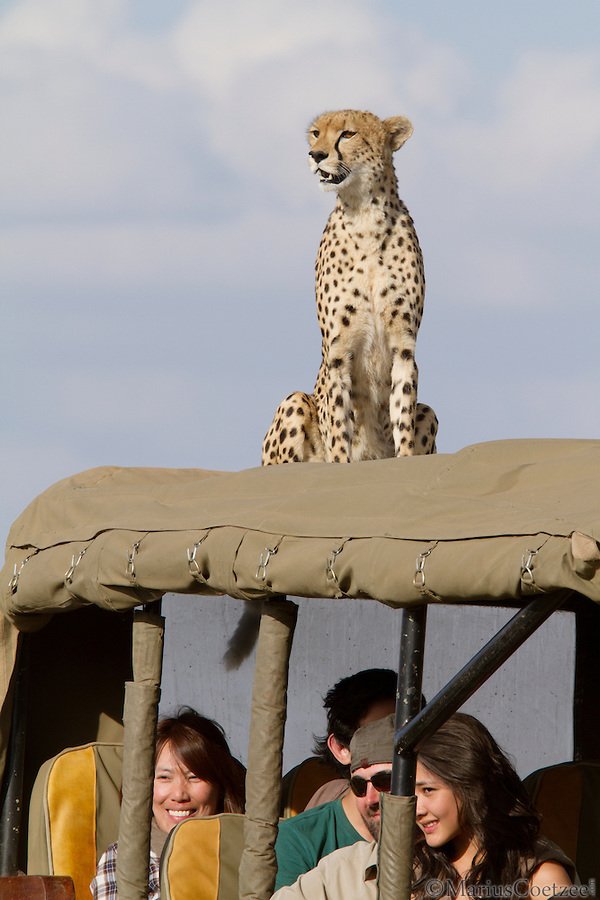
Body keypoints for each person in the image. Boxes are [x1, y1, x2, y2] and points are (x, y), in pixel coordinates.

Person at [272, 713, 575, 899]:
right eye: (359, 784)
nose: (416, 807)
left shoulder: (537, 874)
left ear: (470, 785)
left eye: (428, 790)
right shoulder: (385, 863)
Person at [90, 707, 245, 899]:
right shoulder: (126, 859)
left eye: (194, 777)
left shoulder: (251, 849)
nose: (179, 795)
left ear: (220, 786)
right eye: (164, 777)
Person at [275, 670, 397, 889]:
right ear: (341, 749)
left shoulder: (435, 827)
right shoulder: (301, 839)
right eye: (374, 734)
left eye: (400, 734)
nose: (389, 745)